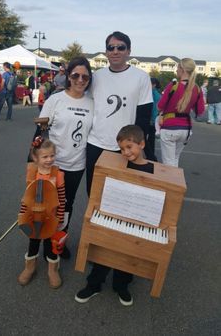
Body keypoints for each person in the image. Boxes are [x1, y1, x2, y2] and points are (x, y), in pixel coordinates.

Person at [75, 125, 154, 306]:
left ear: (142, 144)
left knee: (128, 252)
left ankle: (121, 285)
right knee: (103, 249)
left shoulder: (151, 169)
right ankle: (94, 284)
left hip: (135, 220)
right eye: (121, 148)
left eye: (129, 147)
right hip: (112, 215)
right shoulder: (116, 163)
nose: (125, 152)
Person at [86, 31, 154, 197]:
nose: (115, 51)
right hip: (96, 143)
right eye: (111, 48)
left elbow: (144, 116)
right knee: (93, 192)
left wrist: (136, 146)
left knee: (118, 196)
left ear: (128, 51)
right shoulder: (96, 77)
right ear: (106, 52)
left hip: (124, 148)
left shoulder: (141, 77)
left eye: (120, 47)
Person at [39, 56, 93, 258]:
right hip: (54, 164)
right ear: (68, 76)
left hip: (76, 165)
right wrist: (38, 161)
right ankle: (45, 243)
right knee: (47, 206)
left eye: (85, 77)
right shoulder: (55, 100)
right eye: (76, 75)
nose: (80, 80)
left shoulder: (92, 102)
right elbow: (41, 132)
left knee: (66, 206)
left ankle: (58, 242)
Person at [18, 138, 65, 288]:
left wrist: (60, 218)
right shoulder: (32, 173)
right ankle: (30, 267)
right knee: (33, 240)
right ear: (35, 158)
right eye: (45, 157)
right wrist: (23, 215)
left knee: (51, 242)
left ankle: (53, 270)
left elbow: (62, 199)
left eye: (52, 155)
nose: (49, 159)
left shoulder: (58, 175)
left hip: (51, 216)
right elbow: (27, 197)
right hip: (33, 216)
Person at [157, 58, 205, 167]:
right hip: (185, 130)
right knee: (174, 159)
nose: (176, 70)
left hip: (169, 128)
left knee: (168, 163)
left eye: (177, 67)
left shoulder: (173, 85)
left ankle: (170, 183)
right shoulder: (197, 89)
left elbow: (160, 106)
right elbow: (200, 111)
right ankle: (175, 182)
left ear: (182, 69)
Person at [147, 78, 161, 157]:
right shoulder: (158, 94)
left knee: (147, 138)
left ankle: (150, 155)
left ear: (154, 85)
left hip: (151, 119)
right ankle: (151, 154)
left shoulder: (153, 94)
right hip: (154, 120)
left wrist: (152, 120)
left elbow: (154, 109)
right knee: (151, 139)